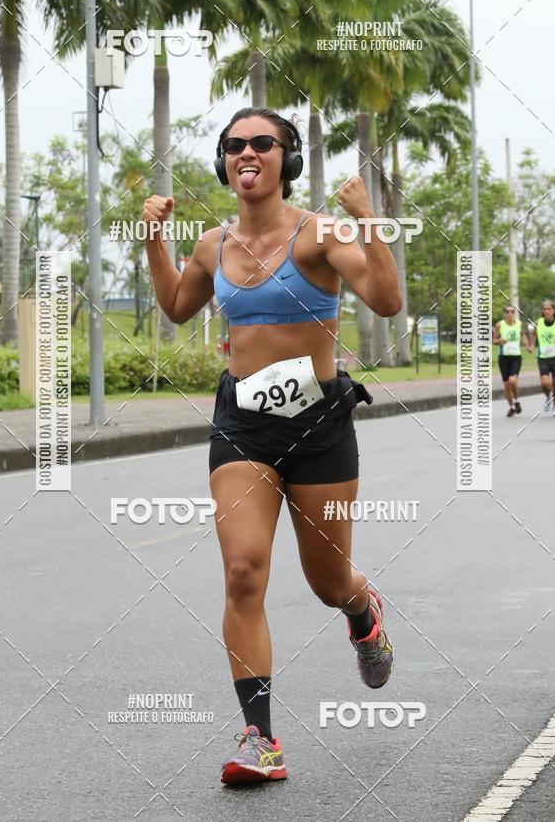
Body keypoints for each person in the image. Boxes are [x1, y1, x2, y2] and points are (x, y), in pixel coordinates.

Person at [143, 107, 402, 786]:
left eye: (262, 143)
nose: (246, 153)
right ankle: (260, 738)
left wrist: (367, 215)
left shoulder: (321, 234)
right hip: (243, 425)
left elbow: (386, 299)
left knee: (326, 582)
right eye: (234, 146)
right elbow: (175, 306)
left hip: (319, 425)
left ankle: (361, 609)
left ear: (285, 158)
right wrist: (152, 239)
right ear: (224, 162)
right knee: (243, 571)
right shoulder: (213, 244)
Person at [528, 300, 555, 417]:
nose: (547, 311)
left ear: (554, 311)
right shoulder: (538, 322)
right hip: (543, 357)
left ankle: (554, 407)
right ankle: (548, 396)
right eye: (545, 309)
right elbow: (533, 334)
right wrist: (533, 345)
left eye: (549, 309)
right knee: (545, 383)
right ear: (542, 312)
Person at [493, 305, 528, 416]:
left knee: (513, 380)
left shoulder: (519, 324)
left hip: (516, 357)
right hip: (503, 358)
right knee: (506, 386)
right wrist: (499, 340)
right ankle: (512, 407)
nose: (510, 313)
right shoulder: (500, 325)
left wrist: (526, 343)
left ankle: (517, 401)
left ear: (514, 313)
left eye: (512, 311)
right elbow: (494, 340)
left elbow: (523, 335)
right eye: (507, 311)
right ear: (504, 314)